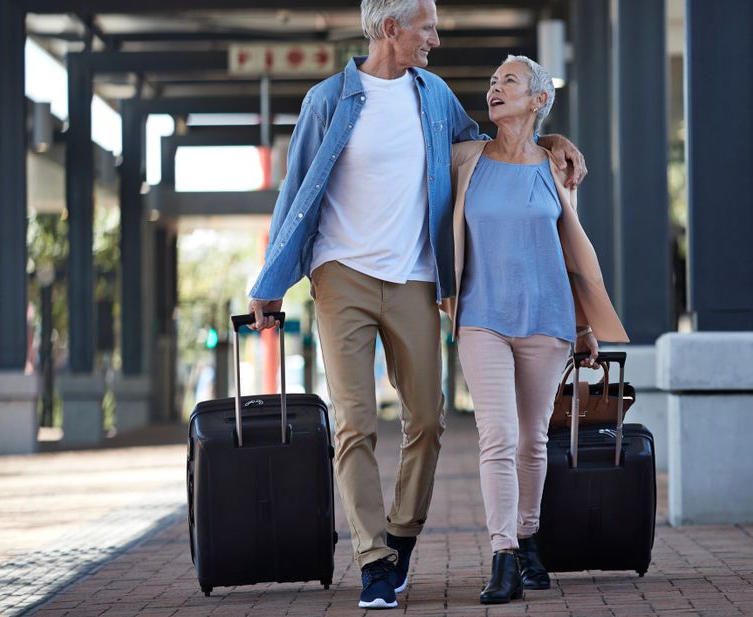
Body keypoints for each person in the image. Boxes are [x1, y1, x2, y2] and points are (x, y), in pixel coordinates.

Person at [248, 1, 586, 609]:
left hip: (414, 278)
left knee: (427, 421)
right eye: (426, 25)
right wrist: (271, 278)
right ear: (390, 29)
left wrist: (552, 135)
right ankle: (374, 560)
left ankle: (401, 536)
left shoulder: (433, 97)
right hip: (340, 274)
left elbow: (496, 148)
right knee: (355, 422)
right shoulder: (328, 100)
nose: (436, 36)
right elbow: (295, 190)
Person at [442, 55, 629, 605]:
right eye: (493, 80)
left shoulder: (557, 168)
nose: (495, 88)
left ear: (538, 100)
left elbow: (568, 254)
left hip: (547, 321)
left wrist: (581, 327)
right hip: (481, 319)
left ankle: (528, 539)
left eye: (510, 82)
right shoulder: (465, 160)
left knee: (532, 441)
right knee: (496, 436)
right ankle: (502, 555)